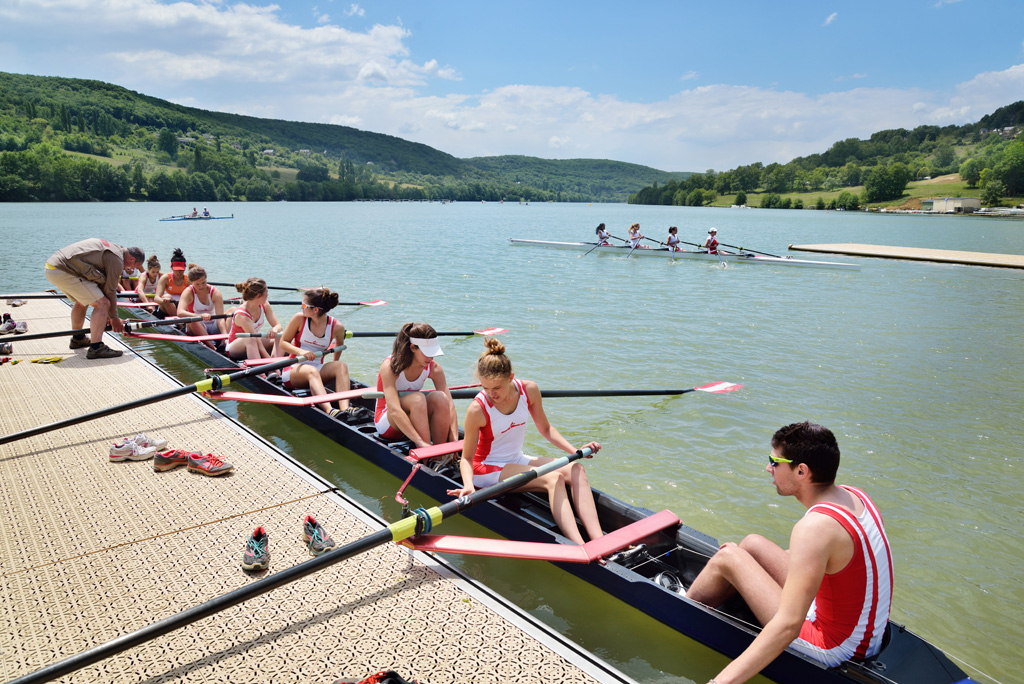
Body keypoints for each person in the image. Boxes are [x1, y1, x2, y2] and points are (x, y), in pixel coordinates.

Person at [687, 422, 893, 684]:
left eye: (774, 461)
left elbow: (788, 626)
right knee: (751, 544)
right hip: (868, 636)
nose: (768, 468)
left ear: (801, 471)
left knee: (729, 556)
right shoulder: (854, 496)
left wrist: (720, 682)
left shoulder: (814, 527)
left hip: (836, 648)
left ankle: (678, 609)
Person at [449, 338, 604, 545]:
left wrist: (575, 450)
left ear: (511, 377)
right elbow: (466, 459)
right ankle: (582, 547)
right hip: (485, 469)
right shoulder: (478, 409)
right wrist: (468, 485)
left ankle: (600, 540)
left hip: (515, 459)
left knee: (576, 469)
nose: (491, 394)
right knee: (554, 479)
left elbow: (546, 430)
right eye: (486, 387)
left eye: (497, 387)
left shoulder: (528, 390)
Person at [44, 239, 145, 359]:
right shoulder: (117, 260)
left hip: (52, 267)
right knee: (102, 304)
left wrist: (108, 315)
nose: (132, 270)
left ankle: (78, 339)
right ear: (132, 259)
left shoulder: (116, 249)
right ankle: (96, 348)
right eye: (135, 266)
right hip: (63, 270)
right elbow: (110, 290)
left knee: (83, 301)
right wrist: (114, 318)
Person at [277, 287, 366, 421]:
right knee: (312, 371)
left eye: (304, 305)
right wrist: (301, 352)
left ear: (315, 309)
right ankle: (329, 410)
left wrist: (335, 371)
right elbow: (283, 342)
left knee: (341, 366)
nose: (301, 308)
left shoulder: (337, 327)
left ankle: (344, 408)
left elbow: (339, 346)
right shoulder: (299, 319)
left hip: (317, 370)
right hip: (293, 370)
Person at [374, 322, 458, 448]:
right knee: (418, 399)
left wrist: (454, 440)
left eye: (433, 352)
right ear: (413, 348)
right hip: (387, 422)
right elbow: (394, 410)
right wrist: (420, 442)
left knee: (441, 398)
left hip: (413, 414)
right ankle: (425, 454)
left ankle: (440, 455)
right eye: (426, 352)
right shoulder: (390, 366)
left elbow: (450, 406)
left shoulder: (434, 368)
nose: (431, 357)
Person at [225, 278, 282, 361]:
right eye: (266, 292)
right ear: (258, 295)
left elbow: (278, 325)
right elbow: (258, 343)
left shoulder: (265, 304)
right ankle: (263, 370)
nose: (267, 295)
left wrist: (275, 329)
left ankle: (277, 364)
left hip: (255, 341)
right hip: (234, 349)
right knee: (250, 338)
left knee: (280, 336)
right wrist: (270, 362)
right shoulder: (242, 315)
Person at [177, 265, 227, 349]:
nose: (201, 286)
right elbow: (180, 312)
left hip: (214, 322)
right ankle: (212, 348)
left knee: (232, 310)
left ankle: (224, 343)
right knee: (192, 320)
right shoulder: (188, 292)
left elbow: (220, 318)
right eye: (197, 284)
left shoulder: (215, 292)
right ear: (191, 282)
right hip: (197, 324)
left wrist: (225, 336)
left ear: (206, 279)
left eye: (203, 283)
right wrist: (199, 316)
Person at [155, 248, 190, 318]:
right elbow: (156, 298)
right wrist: (163, 300)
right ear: (172, 268)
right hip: (167, 306)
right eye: (176, 270)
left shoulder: (188, 279)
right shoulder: (165, 278)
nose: (179, 273)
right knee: (166, 297)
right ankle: (180, 324)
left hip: (182, 306)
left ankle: (181, 322)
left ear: (185, 268)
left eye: (181, 270)